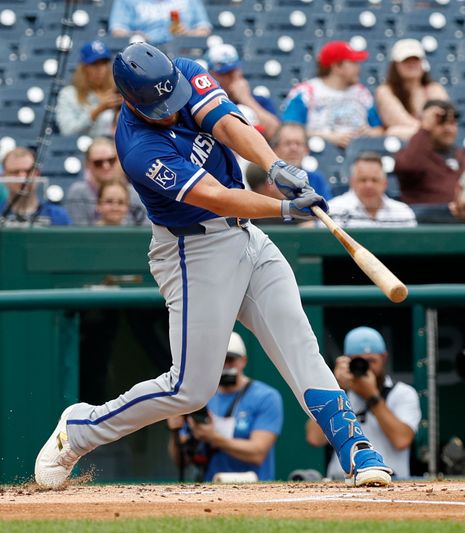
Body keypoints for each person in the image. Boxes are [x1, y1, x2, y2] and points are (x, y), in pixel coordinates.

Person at [34, 42, 392, 490]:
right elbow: (216, 197)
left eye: (172, 99)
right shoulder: (138, 148)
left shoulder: (181, 72)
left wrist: (274, 164)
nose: (170, 110)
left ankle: (355, 447)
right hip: (192, 252)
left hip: (245, 236)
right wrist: (282, 210)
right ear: (130, 99)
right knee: (189, 388)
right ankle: (81, 429)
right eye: (157, 106)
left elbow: (228, 124)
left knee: (299, 342)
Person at [306, 327, 421, 480]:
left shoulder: (403, 393)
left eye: (372, 361)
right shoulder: (341, 392)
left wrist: (372, 396)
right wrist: (334, 385)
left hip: (390, 479)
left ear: (384, 358)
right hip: (341, 480)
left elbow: (402, 440)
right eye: (359, 361)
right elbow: (314, 438)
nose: (366, 368)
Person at [166, 332, 283, 481]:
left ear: (243, 361)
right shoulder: (200, 397)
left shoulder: (266, 397)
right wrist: (175, 432)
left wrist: (213, 437)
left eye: (231, 360)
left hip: (254, 488)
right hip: (212, 489)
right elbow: (181, 461)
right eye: (220, 360)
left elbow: (258, 453)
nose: (225, 366)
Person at [282, 41, 383, 149]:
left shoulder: (362, 92)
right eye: (353, 63)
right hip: (317, 153)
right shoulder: (306, 91)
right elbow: (288, 131)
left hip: (359, 154)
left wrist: (370, 133)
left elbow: (379, 129)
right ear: (337, 67)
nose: (358, 68)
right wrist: (327, 138)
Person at [394, 100, 465, 205]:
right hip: (426, 220)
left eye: (452, 123)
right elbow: (408, 167)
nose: (448, 129)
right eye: (440, 123)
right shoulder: (414, 156)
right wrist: (425, 127)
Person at [374, 39, 449, 140]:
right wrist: (427, 130)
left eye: (416, 60)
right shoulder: (385, 91)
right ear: (396, 65)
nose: (411, 64)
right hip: (408, 142)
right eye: (406, 60)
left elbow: (442, 121)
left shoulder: (435, 89)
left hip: (431, 142)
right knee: (395, 132)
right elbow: (398, 120)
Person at [205, 44, 280, 140]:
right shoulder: (207, 103)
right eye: (224, 73)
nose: (231, 77)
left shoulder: (259, 100)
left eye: (233, 71)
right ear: (211, 75)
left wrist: (246, 99)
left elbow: (276, 135)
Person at [64, 137, 145, 225]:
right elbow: (78, 234)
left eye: (111, 160)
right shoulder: (78, 193)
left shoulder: (135, 193)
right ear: (87, 164)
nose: (106, 166)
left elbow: (146, 231)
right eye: (98, 163)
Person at [325, 152, 416, 228]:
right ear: (352, 182)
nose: (369, 185)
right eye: (363, 180)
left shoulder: (403, 212)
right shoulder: (334, 210)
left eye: (375, 180)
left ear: (385, 183)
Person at [56, 40, 121, 138]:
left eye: (103, 63)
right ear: (83, 68)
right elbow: (67, 131)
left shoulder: (118, 90)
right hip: (85, 148)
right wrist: (98, 110)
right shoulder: (69, 94)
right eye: (94, 64)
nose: (100, 69)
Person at [0, 147, 71, 226]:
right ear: (3, 176)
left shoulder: (58, 216)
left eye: (28, 171)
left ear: (37, 174)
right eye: (15, 172)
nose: (23, 178)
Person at [271, 123, 332, 201]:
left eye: (298, 144)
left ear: (306, 150)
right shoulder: (267, 180)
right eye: (287, 143)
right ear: (275, 149)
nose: (293, 148)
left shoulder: (316, 179)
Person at [109, 0, 211, 45]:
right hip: (143, 53)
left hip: (182, 51)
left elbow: (204, 28)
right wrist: (135, 35)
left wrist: (189, 33)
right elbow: (117, 29)